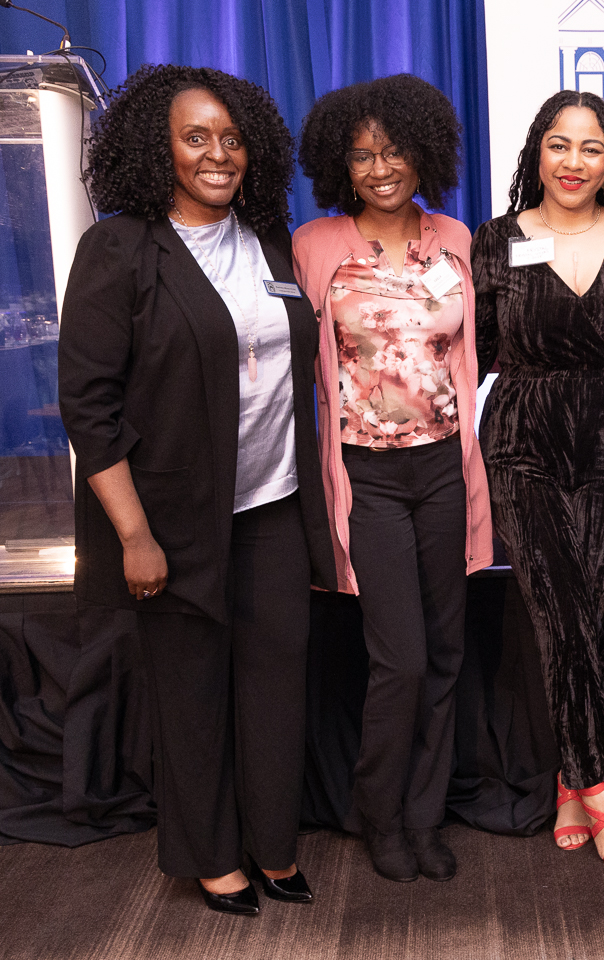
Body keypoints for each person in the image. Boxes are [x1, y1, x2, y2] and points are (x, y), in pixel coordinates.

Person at [58, 65, 337, 915]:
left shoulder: (268, 239)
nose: (218, 154)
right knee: (189, 696)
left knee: (274, 686)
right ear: (159, 146)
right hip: (172, 522)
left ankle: (272, 844)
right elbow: (89, 404)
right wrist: (135, 534)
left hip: (273, 509)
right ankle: (211, 855)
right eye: (195, 137)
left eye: (232, 138)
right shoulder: (121, 247)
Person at [292, 75, 492, 884]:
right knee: (400, 657)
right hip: (366, 477)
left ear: (425, 152)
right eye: (363, 154)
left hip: (443, 468)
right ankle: (379, 815)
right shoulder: (314, 246)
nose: (380, 167)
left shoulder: (457, 239)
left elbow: (469, 356)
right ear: (342, 166)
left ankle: (423, 814)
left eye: (395, 149)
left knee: (445, 652)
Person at [472, 90, 604, 874]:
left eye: (591, 148)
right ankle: (601, 794)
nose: (574, 162)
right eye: (560, 145)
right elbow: (479, 349)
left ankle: (566, 780)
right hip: (523, 441)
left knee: (594, 609)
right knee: (558, 614)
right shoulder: (495, 242)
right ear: (536, 152)